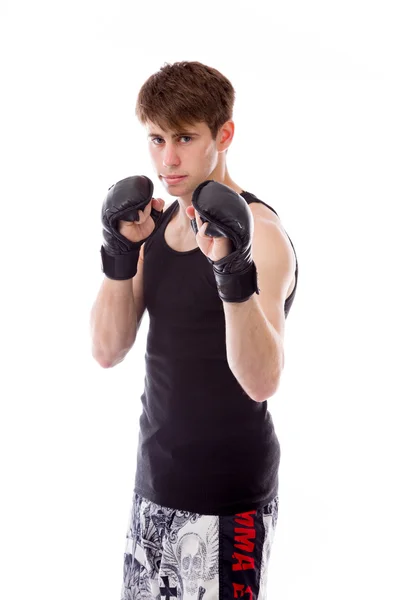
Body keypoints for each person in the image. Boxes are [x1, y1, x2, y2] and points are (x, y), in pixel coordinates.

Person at [90, 61, 298, 600]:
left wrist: (231, 269)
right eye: (156, 139)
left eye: (184, 138)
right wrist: (120, 254)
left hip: (228, 496)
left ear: (223, 135)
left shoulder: (264, 237)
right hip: (154, 486)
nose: (167, 160)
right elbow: (107, 350)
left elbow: (262, 380)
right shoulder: (152, 227)